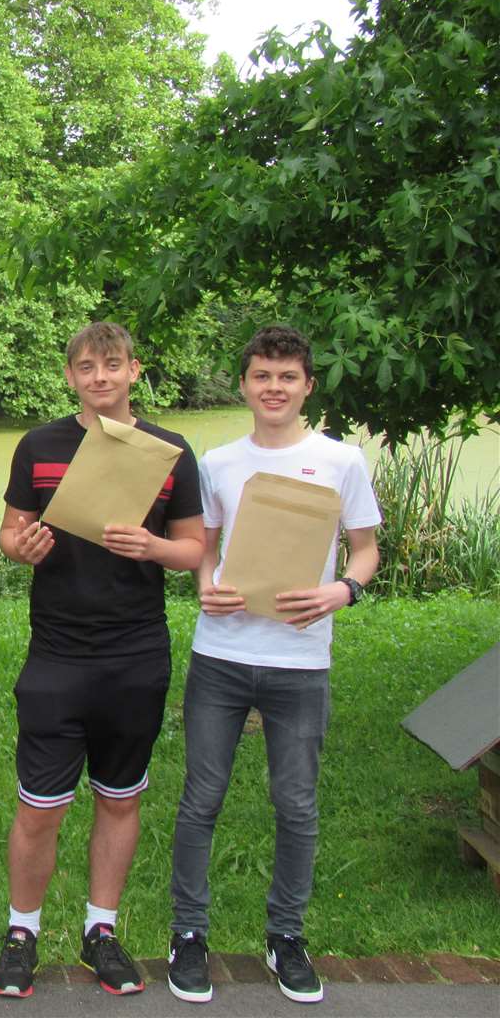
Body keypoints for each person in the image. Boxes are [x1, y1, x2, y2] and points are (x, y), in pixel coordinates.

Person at [166, 326, 380, 1006]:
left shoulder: (341, 461)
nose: (274, 388)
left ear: (308, 385)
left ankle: (286, 936)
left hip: (300, 662)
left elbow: (366, 550)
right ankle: (189, 936)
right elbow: (203, 544)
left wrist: (341, 590)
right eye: (262, 376)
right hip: (222, 654)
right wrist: (204, 582)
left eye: (287, 377)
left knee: (296, 804)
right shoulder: (219, 461)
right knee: (201, 799)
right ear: (245, 385)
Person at [0, 321, 202, 999]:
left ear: (134, 371)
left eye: (112, 365)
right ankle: (21, 932)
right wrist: (19, 548)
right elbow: (8, 533)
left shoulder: (168, 451)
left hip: (136, 651)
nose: (99, 377)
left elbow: (194, 549)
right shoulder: (40, 445)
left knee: (119, 798)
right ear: (70, 375)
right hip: (57, 650)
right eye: (86, 366)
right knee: (40, 807)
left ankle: (100, 931)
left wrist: (151, 547)